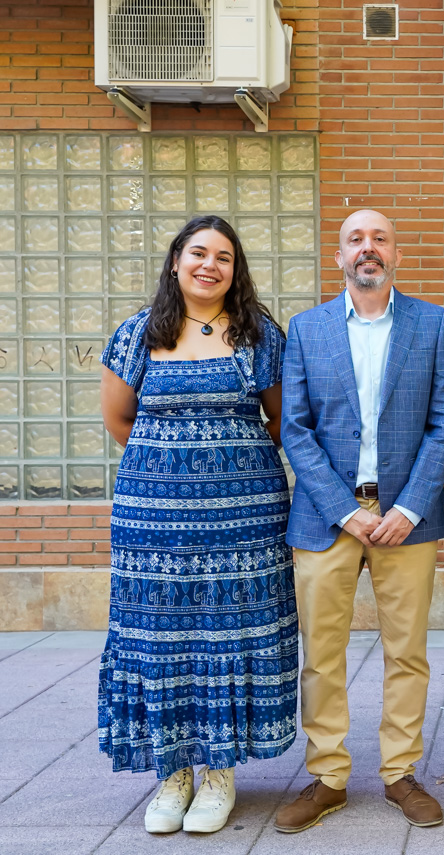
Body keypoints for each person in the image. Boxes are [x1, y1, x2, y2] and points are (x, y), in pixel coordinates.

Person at [98, 215, 297, 835]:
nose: (210, 265)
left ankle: (219, 774)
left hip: (243, 526)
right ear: (177, 260)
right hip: (153, 527)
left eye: (224, 257)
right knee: (163, 641)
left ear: (236, 271)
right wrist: (172, 469)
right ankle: (173, 773)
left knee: (231, 635)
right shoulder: (137, 333)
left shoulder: (259, 334)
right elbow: (120, 421)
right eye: (198, 253)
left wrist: (225, 465)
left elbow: (280, 421)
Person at [275, 209, 444, 833]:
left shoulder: (431, 323)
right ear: (340, 256)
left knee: (407, 650)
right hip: (328, 517)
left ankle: (400, 772)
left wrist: (407, 508)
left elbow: (442, 424)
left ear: (396, 253)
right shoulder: (306, 329)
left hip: (409, 513)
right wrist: (347, 511)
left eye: (380, 239)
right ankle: (328, 776)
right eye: (356, 239)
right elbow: (295, 431)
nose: (368, 249)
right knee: (321, 653)